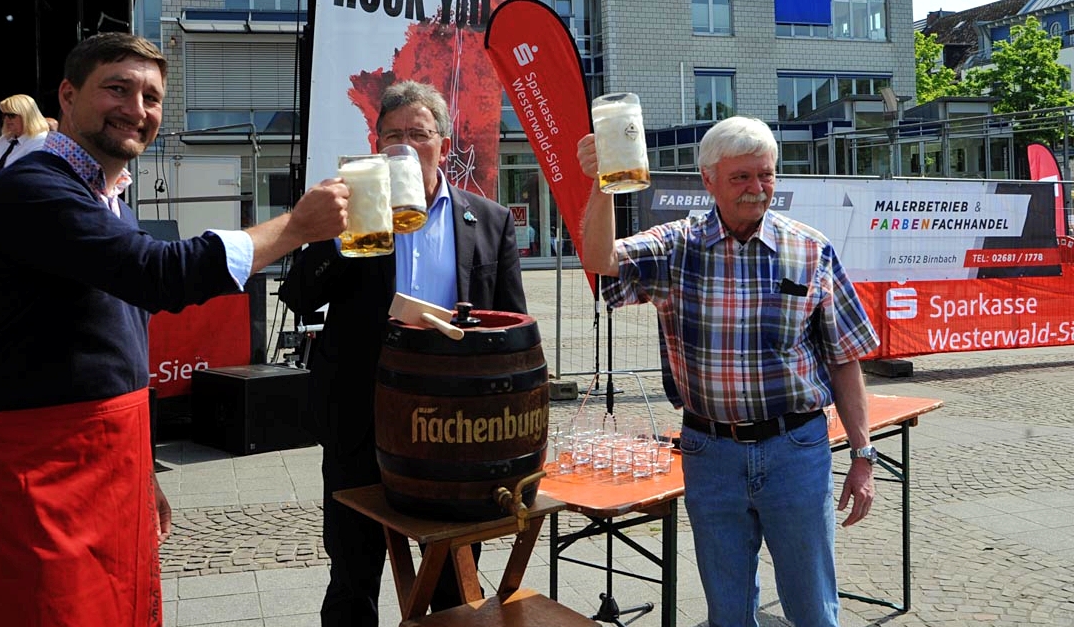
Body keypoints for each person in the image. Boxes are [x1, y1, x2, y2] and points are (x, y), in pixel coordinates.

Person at [0, 33, 348, 627]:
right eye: (117, 89)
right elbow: (157, 273)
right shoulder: (32, 188)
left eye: (151, 97)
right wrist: (295, 226)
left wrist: (140, 468)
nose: (137, 108)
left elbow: (118, 344)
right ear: (68, 96)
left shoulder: (108, 199)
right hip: (27, 473)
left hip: (104, 462)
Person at [577, 116, 881, 627]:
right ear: (709, 180)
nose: (756, 188)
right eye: (741, 177)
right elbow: (601, 258)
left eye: (765, 175)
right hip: (710, 452)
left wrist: (863, 455)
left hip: (796, 450)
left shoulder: (809, 249)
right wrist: (603, 183)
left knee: (813, 608)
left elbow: (844, 357)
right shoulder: (676, 246)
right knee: (729, 610)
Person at [279, 80, 527, 627]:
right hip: (359, 415)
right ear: (377, 144)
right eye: (394, 135)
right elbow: (299, 297)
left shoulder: (489, 220)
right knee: (352, 569)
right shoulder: (353, 213)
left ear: (444, 141)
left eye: (419, 133)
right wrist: (329, 230)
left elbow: (510, 328)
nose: (407, 146)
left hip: (453, 428)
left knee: (452, 576)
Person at [0, 93, 48, 180]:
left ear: (26, 116)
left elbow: (29, 179)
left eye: (11, 115)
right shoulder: (4, 140)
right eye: (4, 115)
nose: (6, 119)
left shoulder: (41, 142)